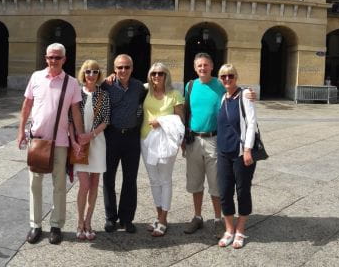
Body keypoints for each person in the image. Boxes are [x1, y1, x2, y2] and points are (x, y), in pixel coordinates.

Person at [17, 43, 86, 245]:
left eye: (57, 57)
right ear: (45, 58)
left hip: (61, 142)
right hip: (37, 140)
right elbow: (26, 105)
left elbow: (75, 112)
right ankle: (35, 225)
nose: (53, 61)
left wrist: (80, 137)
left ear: (64, 59)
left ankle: (56, 225)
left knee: (59, 186)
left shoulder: (72, 83)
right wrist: (21, 130)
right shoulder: (36, 77)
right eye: (50, 57)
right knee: (34, 184)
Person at [182, 52, 255, 238]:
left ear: (212, 66)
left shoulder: (220, 84)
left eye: (206, 65)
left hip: (215, 140)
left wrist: (248, 91)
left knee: (217, 184)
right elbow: (185, 112)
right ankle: (197, 216)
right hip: (193, 140)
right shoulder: (190, 86)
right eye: (199, 65)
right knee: (195, 182)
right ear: (194, 67)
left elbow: (235, 89)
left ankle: (217, 219)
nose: (202, 68)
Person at [100, 54, 147, 234]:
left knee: (130, 179)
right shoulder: (107, 85)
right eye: (120, 67)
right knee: (108, 178)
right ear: (114, 69)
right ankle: (111, 218)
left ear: (132, 68)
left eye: (126, 67)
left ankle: (127, 219)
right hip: (111, 135)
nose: (123, 71)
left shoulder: (138, 87)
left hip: (131, 138)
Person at [140, 62, 185, 237]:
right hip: (145, 140)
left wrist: (162, 121)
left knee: (165, 179)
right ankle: (159, 215)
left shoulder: (174, 95)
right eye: (153, 74)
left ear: (166, 76)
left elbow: (180, 120)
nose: (156, 76)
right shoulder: (145, 90)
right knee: (153, 179)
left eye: (160, 73)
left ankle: (164, 219)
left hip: (166, 142)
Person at [215, 64, 257, 249]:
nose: (226, 79)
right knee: (224, 192)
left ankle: (240, 229)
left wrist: (247, 149)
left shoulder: (245, 96)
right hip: (223, 153)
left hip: (241, 153)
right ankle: (229, 229)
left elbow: (252, 123)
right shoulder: (223, 97)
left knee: (242, 191)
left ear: (236, 77)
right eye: (223, 76)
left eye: (230, 76)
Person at [73, 59, 110, 241]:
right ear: (83, 73)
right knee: (84, 185)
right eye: (88, 71)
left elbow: (106, 120)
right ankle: (79, 221)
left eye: (95, 71)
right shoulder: (77, 94)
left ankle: (88, 222)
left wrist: (92, 135)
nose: (91, 75)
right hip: (80, 144)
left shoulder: (104, 95)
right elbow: (70, 119)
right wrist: (76, 140)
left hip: (97, 143)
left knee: (95, 185)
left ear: (98, 74)